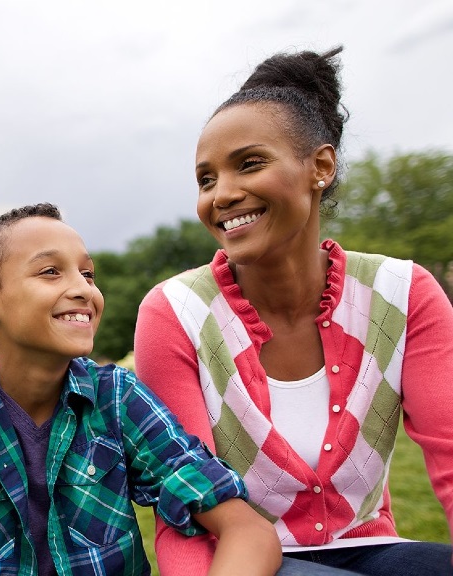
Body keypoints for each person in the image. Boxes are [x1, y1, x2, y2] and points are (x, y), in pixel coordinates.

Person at [134, 46, 453, 576]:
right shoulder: (175, 312)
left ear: (320, 167)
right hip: (241, 563)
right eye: (206, 179)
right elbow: (185, 512)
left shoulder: (405, 293)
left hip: (370, 550)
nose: (223, 194)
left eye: (249, 164)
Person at [0, 203, 282, 576]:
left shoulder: (116, 398)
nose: (83, 289)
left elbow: (247, 530)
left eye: (88, 274)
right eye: (51, 271)